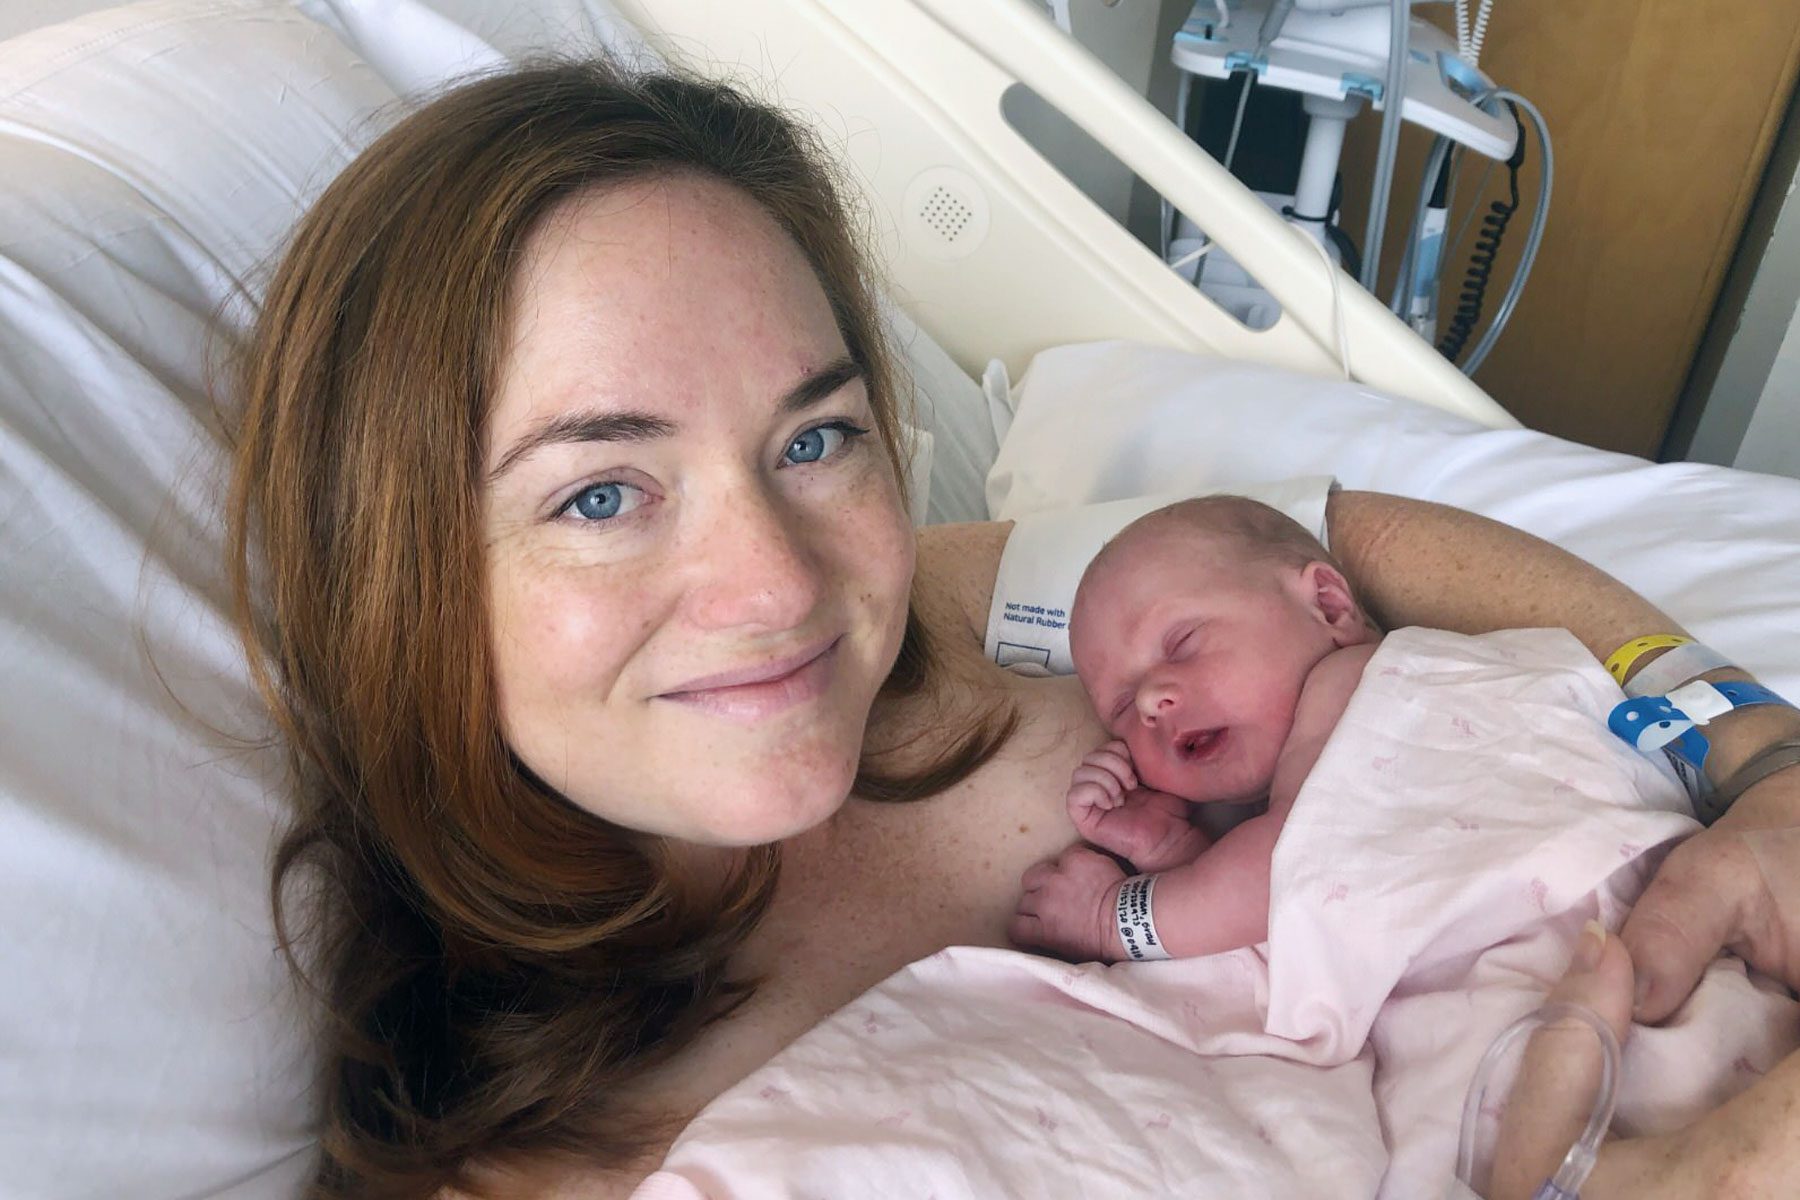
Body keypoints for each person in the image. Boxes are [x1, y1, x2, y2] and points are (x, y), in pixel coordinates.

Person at [222, 60, 1800, 1199]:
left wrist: (1752, 748)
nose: (777, 584)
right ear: (404, 572)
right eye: (599, 497)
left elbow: (1330, 549)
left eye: (814, 439)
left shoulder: (942, 611)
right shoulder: (542, 1148)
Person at [1010, 495, 1380, 962]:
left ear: (1327, 606)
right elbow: (1277, 924)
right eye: (1121, 709)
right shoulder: (1286, 815)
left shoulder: (1357, 680)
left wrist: (1110, 918)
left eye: (1182, 644)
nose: (1148, 703)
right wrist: (1169, 848)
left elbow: (1289, 872)